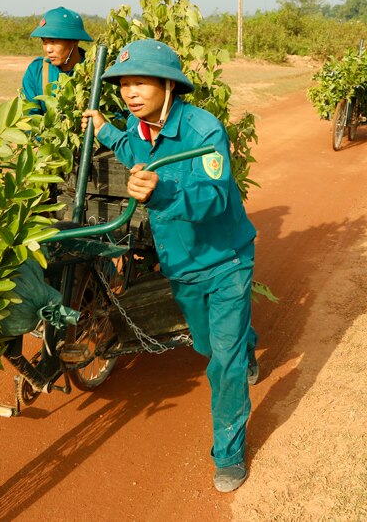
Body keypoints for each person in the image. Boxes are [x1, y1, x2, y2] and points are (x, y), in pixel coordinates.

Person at [82, 39, 259, 493]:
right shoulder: (136, 128)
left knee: (224, 363)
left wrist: (162, 193)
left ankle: (229, 452)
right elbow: (129, 149)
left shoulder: (204, 130)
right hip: (181, 266)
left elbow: (218, 196)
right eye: (123, 85)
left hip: (225, 262)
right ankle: (244, 338)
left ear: (167, 85)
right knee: (204, 342)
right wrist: (103, 129)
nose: (130, 92)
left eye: (140, 82)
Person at [21, 7, 92, 114]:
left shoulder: (94, 70)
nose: (48, 49)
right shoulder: (36, 70)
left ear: (74, 41)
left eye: (53, 42)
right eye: (44, 42)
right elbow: (30, 116)